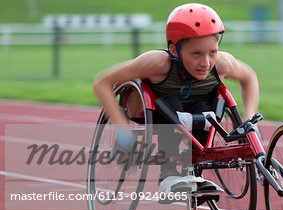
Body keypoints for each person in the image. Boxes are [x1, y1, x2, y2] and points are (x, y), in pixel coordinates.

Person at [93, 3, 259, 196]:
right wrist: (121, 127)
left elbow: (249, 77)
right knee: (173, 107)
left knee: (207, 109)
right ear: (174, 50)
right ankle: (168, 175)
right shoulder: (156, 63)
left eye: (212, 52)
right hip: (159, 110)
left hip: (197, 110)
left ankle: (195, 170)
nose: (206, 63)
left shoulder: (222, 64)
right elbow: (102, 83)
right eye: (196, 53)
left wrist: (249, 119)